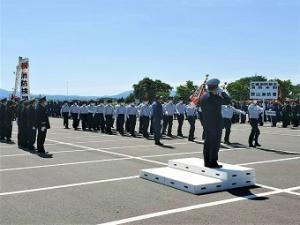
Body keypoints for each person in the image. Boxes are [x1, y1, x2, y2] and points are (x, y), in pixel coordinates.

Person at [200, 78, 231, 168]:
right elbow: (228, 101)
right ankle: (213, 162)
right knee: (215, 144)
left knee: (207, 143)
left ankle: (207, 162)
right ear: (216, 88)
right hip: (215, 124)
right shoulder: (214, 97)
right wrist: (222, 91)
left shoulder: (203, 97)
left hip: (207, 124)